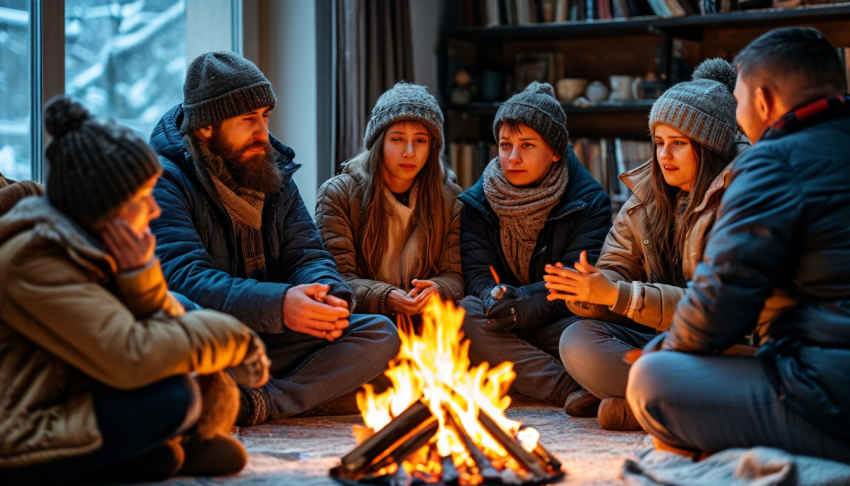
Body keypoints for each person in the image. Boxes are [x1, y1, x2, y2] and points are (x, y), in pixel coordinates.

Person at [0, 97, 269, 484]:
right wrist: (235, 338)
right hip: (24, 433)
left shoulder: (84, 241)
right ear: (105, 207)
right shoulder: (35, 260)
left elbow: (140, 323)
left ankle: (142, 454)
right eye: (142, 198)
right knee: (176, 396)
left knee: (178, 313)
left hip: (72, 392)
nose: (154, 211)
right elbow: (131, 355)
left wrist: (139, 277)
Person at [626, 27, 850, 462]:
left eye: (739, 101)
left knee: (653, 379)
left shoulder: (772, 161)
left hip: (828, 389)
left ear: (763, 100)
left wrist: (663, 350)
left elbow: (720, 302)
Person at [149, 51, 399, 426]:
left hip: (275, 334)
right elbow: (185, 279)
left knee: (380, 334)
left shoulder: (271, 168)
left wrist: (328, 297)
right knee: (175, 363)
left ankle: (257, 402)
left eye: (265, 116)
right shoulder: (163, 180)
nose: (263, 133)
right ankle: (306, 394)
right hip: (215, 339)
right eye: (248, 119)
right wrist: (280, 304)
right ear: (206, 128)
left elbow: (306, 254)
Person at [546, 59, 749, 430]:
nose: (663, 155)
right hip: (662, 341)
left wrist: (619, 295)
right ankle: (659, 400)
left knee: (726, 365)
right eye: (658, 142)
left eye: (678, 144)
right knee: (576, 338)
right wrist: (589, 291)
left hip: (719, 345)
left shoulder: (742, 196)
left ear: (707, 148)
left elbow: (717, 310)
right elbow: (618, 266)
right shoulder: (647, 198)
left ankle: (643, 403)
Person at [457, 82, 612, 408]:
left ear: (555, 151)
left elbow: (574, 282)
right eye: (505, 145)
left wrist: (521, 303)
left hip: (559, 323)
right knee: (464, 315)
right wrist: (495, 298)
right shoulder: (476, 202)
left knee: (588, 331)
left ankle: (524, 371)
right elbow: (476, 274)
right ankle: (567, 388)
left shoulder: (589, 202)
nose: (513, 157)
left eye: (527, 145)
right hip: (502, 322)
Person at [316, 83, 464, 319]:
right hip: (367, 321)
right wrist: (384, 297)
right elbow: (336, 278)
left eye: (420, 140)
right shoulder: (338, 194)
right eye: (397, 139)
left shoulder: (451, 199)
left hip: (428, 320)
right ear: (379, 142)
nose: (409, 152)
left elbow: (455, 275)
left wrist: (438, 289)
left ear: (432, 147)